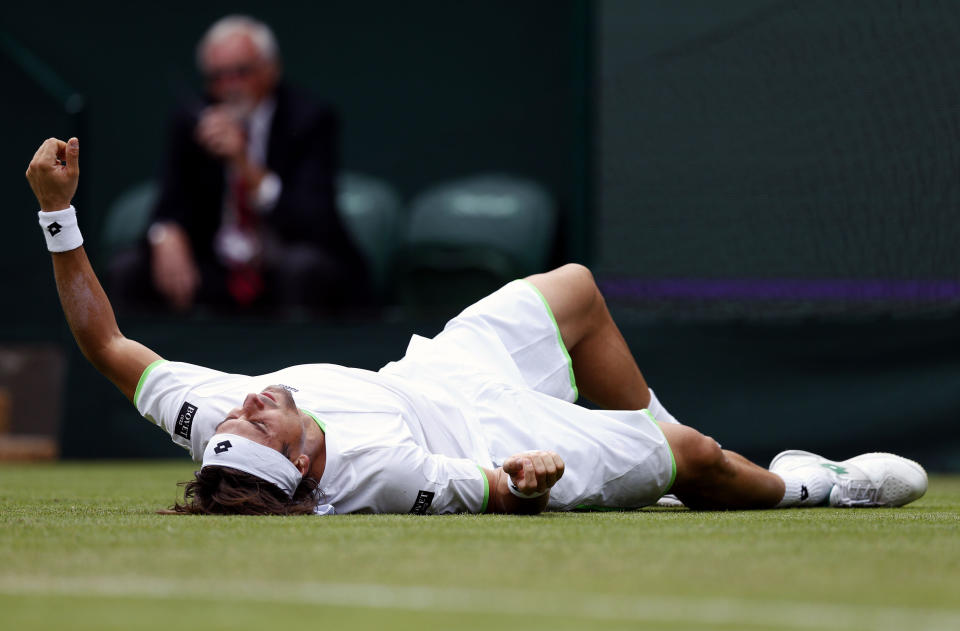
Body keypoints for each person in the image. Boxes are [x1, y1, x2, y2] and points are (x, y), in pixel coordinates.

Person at [27, 136, 929, 515]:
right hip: (495, 432)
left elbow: (107, 343)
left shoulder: (215, 427)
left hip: (428, 372)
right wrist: (530, 480)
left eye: (235, 417)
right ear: (306, 463)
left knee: (574, 287)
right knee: (698, 457)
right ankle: (814, 488)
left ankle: (656, 447)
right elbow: (505, 490)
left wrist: (57, 214)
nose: (251, 401)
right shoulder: (382, 475)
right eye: (259, 419)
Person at [110, 15, 369, 315]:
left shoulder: (309, 119)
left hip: (279, 266)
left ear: (271, 70)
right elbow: (169, 204)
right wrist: (165, 234)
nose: (230, 86)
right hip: (216, 270)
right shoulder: (192, 123)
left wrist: (244, 163)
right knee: (129, 268)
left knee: (303, 268)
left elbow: (313, 220)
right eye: (217, 77)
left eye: (241, 73)